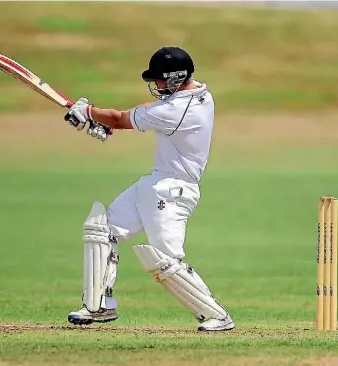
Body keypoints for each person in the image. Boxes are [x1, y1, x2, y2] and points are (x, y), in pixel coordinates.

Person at [63, 46, 234, 332]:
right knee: (102, 229)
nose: (155, 85)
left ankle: (216, 314)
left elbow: (121, 118)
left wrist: (90, 112)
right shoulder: (200, 95)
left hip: (173, 192)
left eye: (159, 80)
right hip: (154, 184)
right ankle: (98, 306)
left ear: (177, 77)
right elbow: (144, 111)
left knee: (165, 261)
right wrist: (100, 119)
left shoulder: (178, 110)